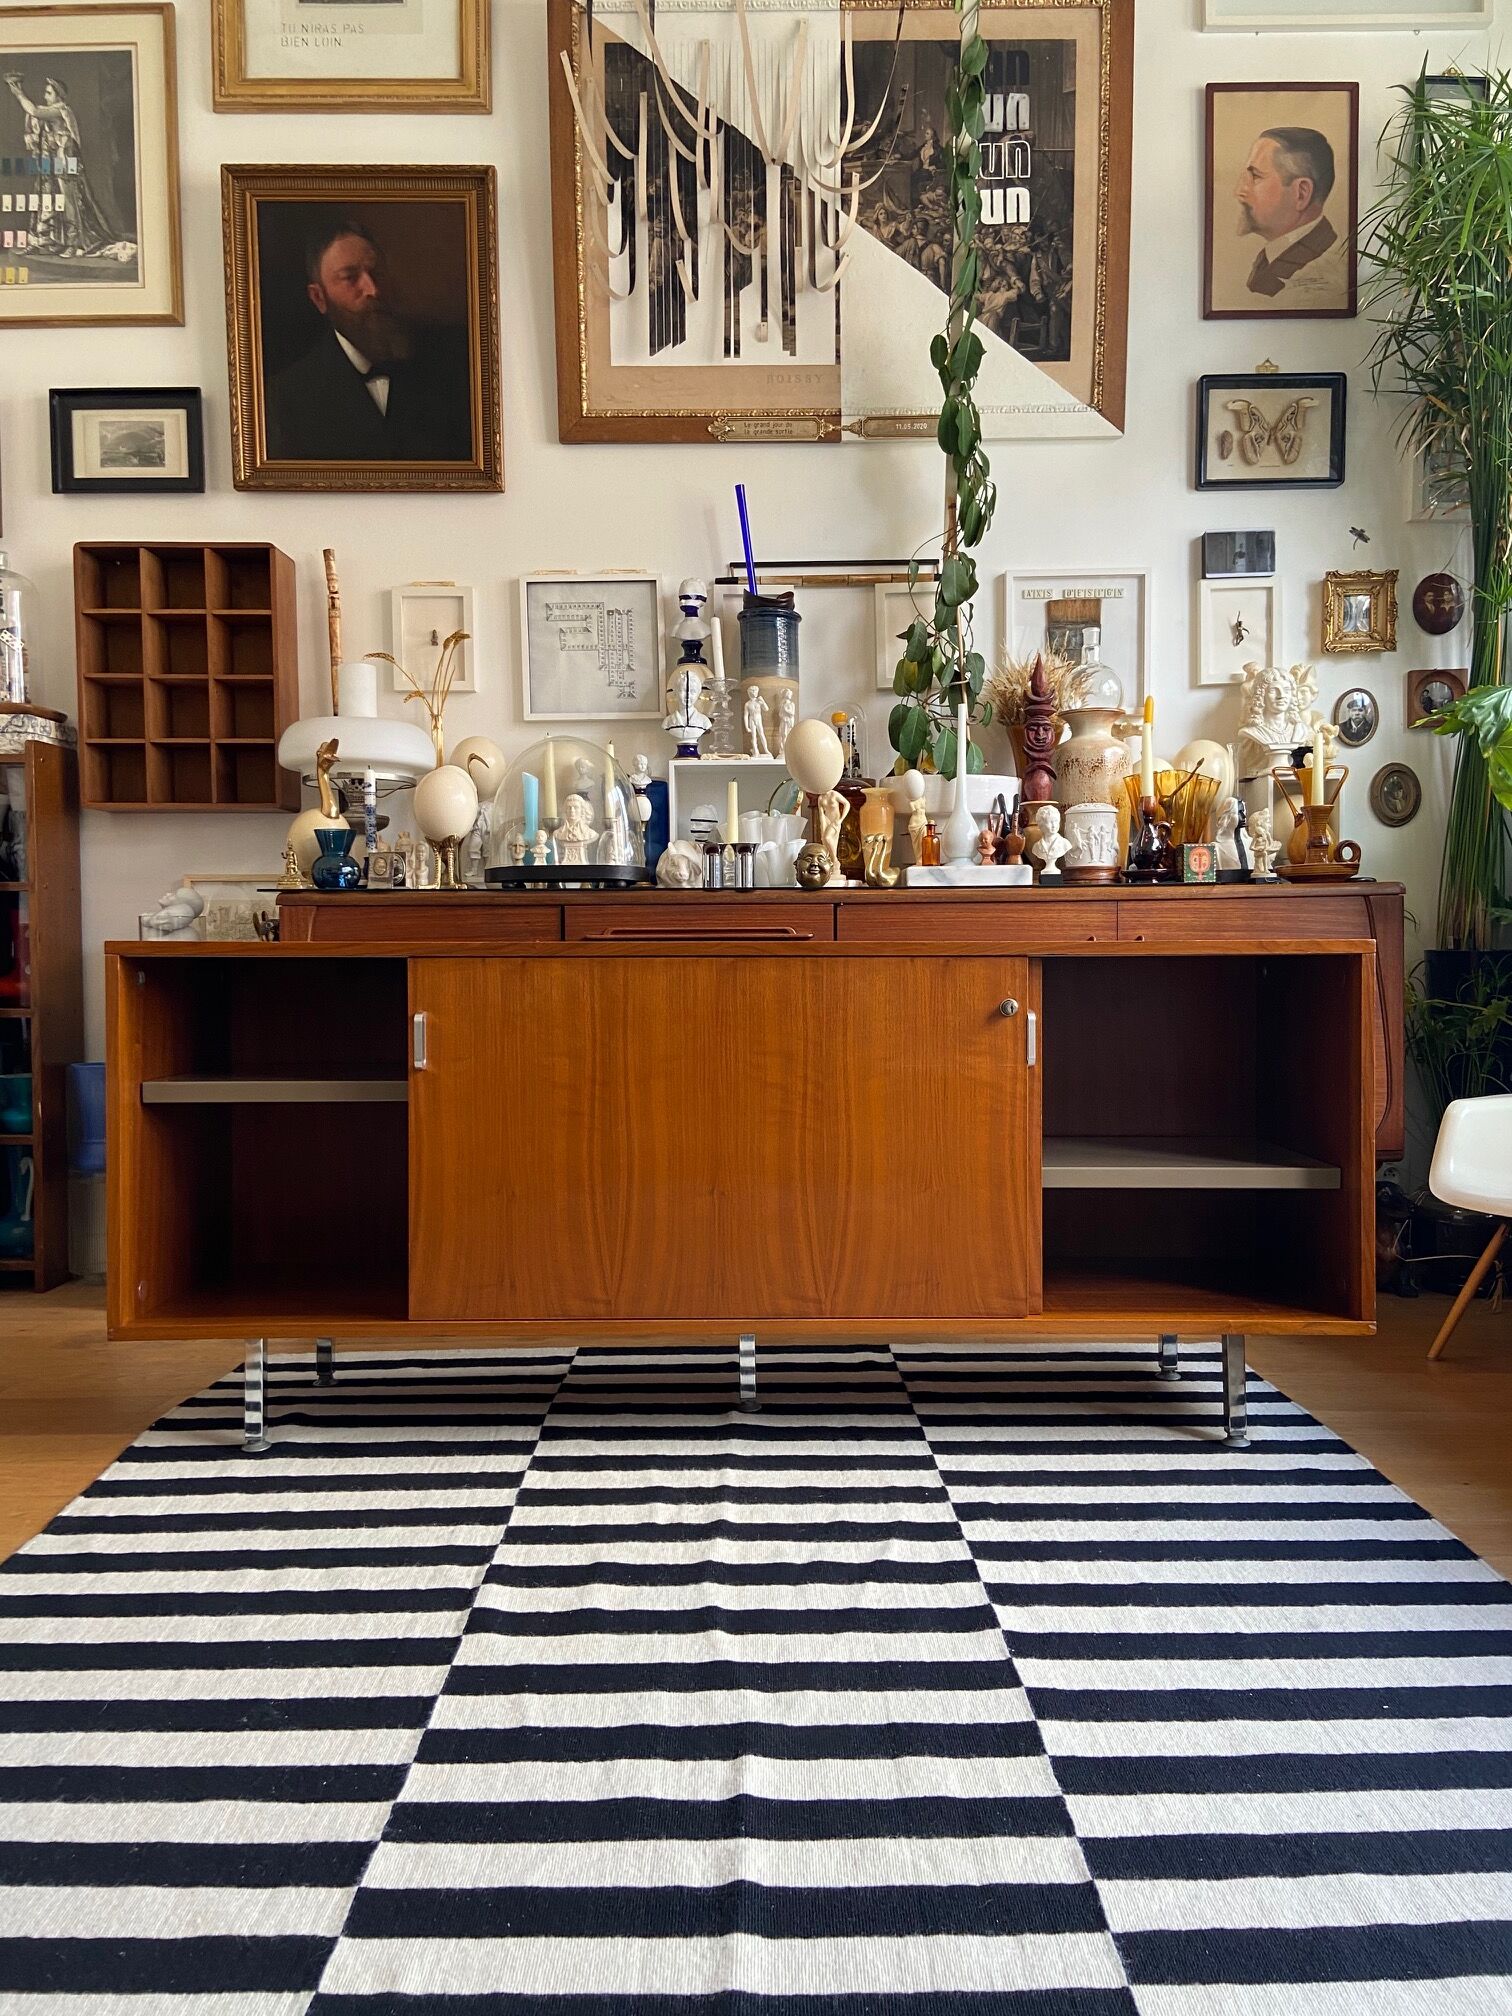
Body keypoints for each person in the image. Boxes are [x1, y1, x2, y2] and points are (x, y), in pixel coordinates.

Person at [264, 218, 474, 464]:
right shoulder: (286, 397)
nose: (373, 289)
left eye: (376, 272)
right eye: (350, 278)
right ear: (319, 297)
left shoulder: (449, 363)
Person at [1234, 126, 1348, 309]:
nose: (1239, 192)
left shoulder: (1319, 272)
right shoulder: (1272, 257)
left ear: (1301, 194)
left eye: (1255, 176)